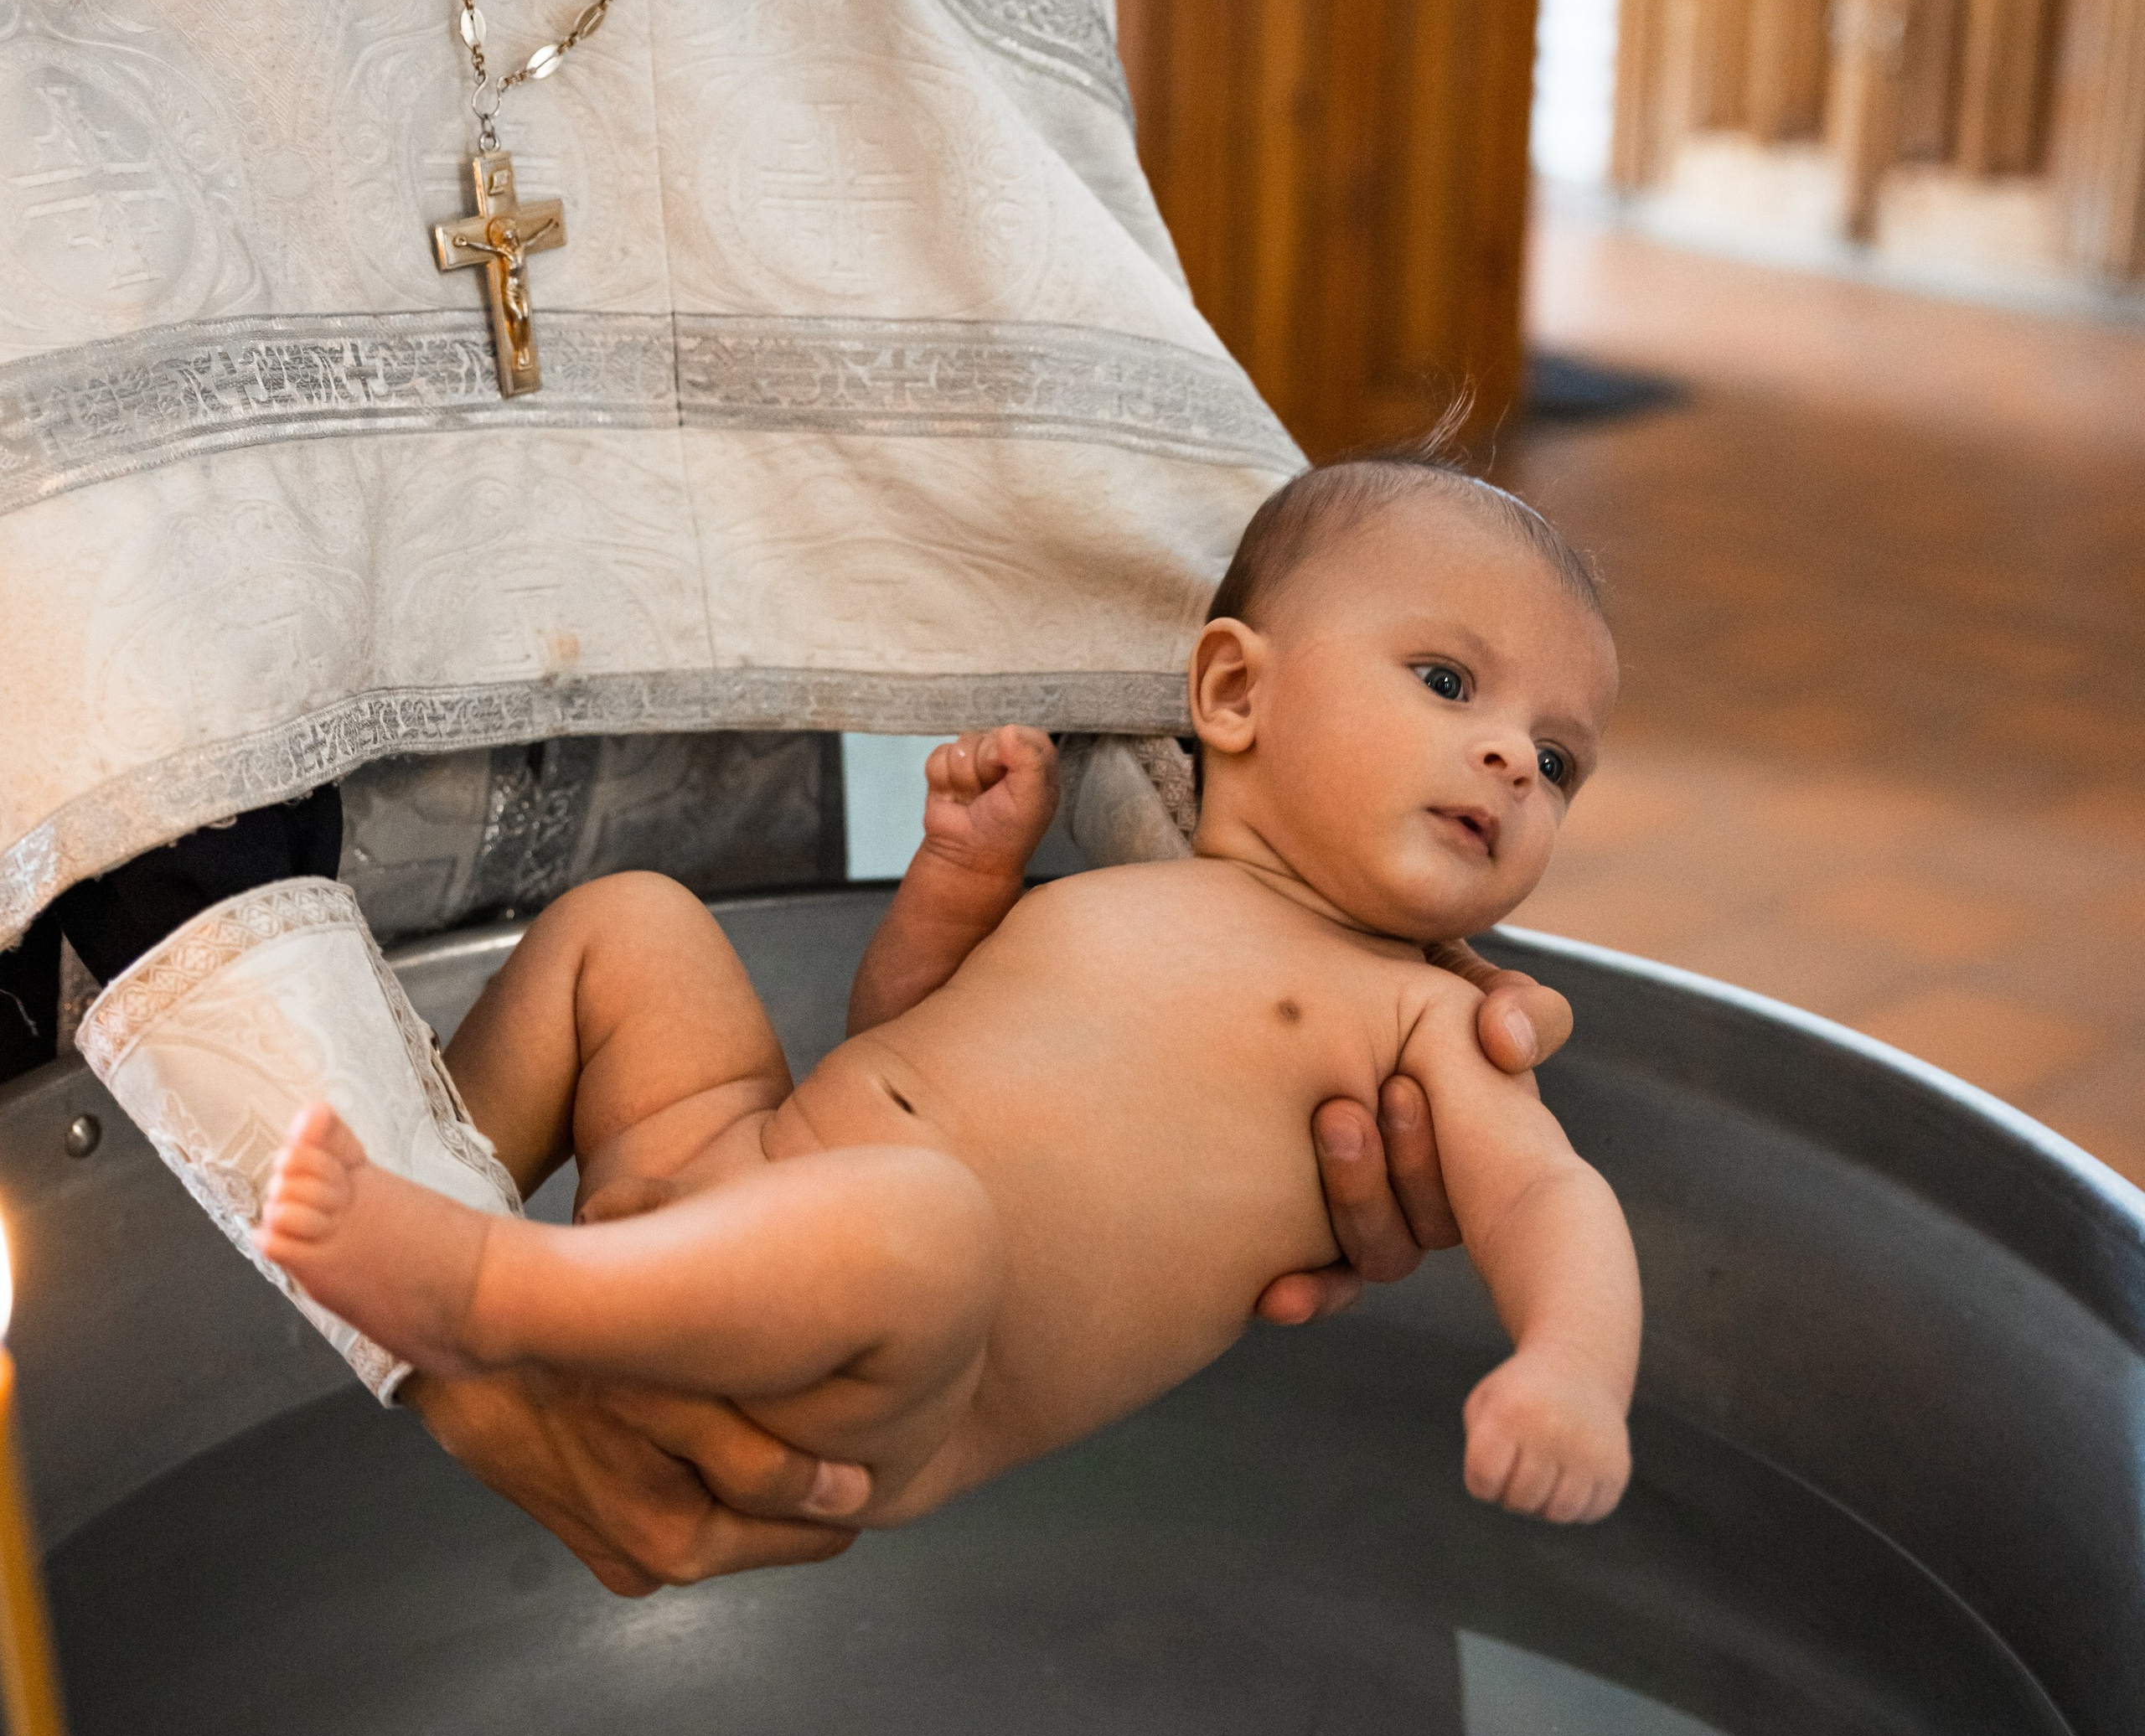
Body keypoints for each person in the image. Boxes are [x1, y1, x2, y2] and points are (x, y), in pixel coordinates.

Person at [12, 0, 1572, 1592]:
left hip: (720, 917)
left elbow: (1023, 260)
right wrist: (445, 1290)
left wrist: (1273, 940)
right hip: (103, 901)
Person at [253, 457, 1640, 1550]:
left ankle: (493, 1292)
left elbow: (1544, 1202)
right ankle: (431, 1184)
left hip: (892, 1376)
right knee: (632, 926)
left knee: (926, 1221)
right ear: (1231, 691)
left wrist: (1572, 1369)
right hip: (744, 1177)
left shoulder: (1428, 1021)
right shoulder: (1095, 889)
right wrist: (957, 885)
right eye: (1449, 682)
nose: (1514, 757)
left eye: (1564, 760)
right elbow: (894, 1037)